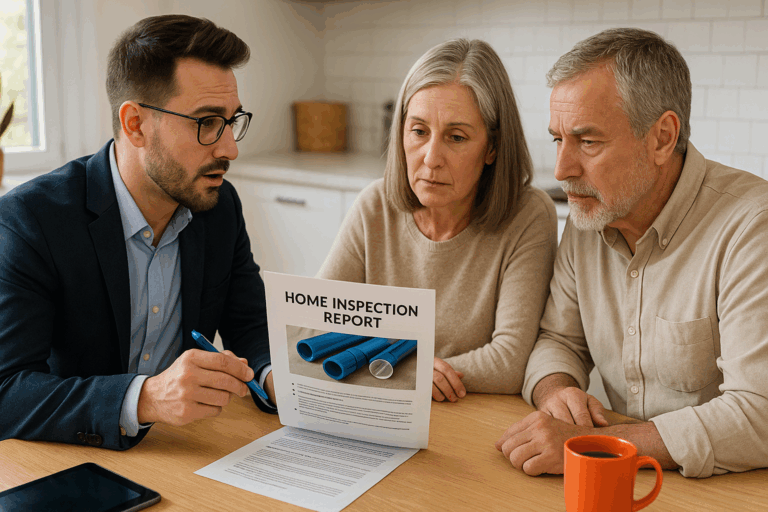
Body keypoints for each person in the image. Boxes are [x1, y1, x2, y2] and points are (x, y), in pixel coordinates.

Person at [495, 28, 768, 478]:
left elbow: (759, 415)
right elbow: (558, 341)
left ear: (662, 137)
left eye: (588, 142)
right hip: (624, 483)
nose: (562, 169)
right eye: (558, 139)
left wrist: (599, 445)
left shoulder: (752, 226)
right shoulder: (591, 215)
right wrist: (556, 391)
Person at [0, 15, 276, 451]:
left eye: (231, 120)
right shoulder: (30, 220)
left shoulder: (219, 206)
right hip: (70, 458)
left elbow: (250, 324)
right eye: (206, 122)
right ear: (135, 124)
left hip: (180, 448)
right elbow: (8, 391)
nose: (230, 149)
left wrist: (276, 377)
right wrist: (145, 399)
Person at [317, 39, 558, 402]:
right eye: (418, 131)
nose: (431, 158)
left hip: (475, 414)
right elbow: (315, 325)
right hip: (384, 405)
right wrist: (409, 371)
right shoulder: (374, 205)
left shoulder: (528, 215)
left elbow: (509, 362)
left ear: (492, 147)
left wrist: (395, 368)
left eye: (456, 137)